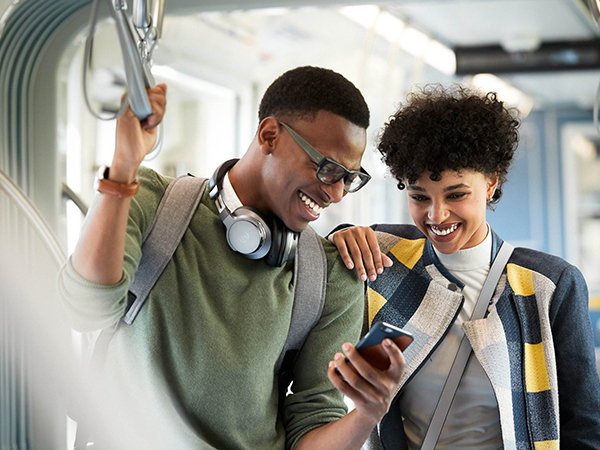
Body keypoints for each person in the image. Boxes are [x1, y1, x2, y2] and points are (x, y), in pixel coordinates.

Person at [57, 66, 407, 450]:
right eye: (327, 169)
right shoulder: (149, 203)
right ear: (269, 135)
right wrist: (122, 169)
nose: (337, 194)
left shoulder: (331, 277)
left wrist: (367, 414)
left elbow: (313, 424)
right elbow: (84, 308)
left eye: (349, 178)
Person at [331, 84, 600, 449]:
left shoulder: (550, 284)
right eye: (419, 196)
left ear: (491, 183)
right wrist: (340, 236)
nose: (437, 215)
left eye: (456, 194)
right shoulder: (385, 260)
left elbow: (583, 425)